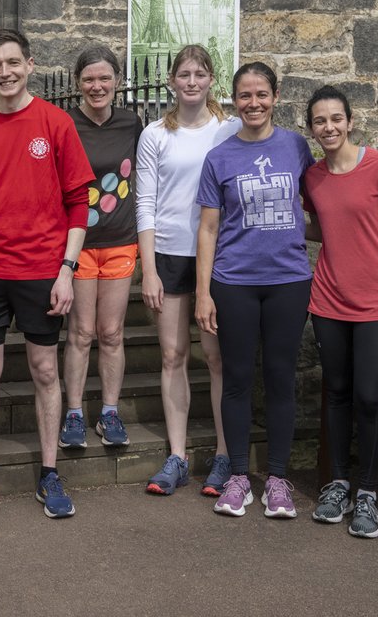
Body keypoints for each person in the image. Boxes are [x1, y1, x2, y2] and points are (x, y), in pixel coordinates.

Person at [0, 28, 93, 521]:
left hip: (43, 271)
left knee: (45, 370)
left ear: (30, 64)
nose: (4, 72)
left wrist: (67, 271)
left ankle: (50, 473)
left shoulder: (56, 124)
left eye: (12, 62)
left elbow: (78, 204)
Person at [194, 61, 314, 519]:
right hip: (234, 282)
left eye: (261, 94)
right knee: (238, 380)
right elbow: (207, 229)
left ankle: (278, 479)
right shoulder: (220, 157)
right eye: (245, 96)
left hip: (288, 281)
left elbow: (320, 201)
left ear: (276, 96)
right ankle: (240, 476)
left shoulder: (296, 147)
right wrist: (204, 292)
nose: (253, 103)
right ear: (233, 101)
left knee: (281, 379)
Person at [303, 85, 378, 539]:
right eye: (319, 121)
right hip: (329, 300)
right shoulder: (312, 177)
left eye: (335, 119)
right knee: (337, 395)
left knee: (370, 399)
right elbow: (317, 225)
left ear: (350, 121)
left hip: (376, 304)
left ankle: (367, 492)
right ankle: (338, 486)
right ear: (310, 129)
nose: (328, 128)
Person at [135, 45, 238, 496]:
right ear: (172, 81)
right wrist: (149, 269)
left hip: (218, 256)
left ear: (212, 79)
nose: (191, 81)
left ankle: (222, 455)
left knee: (217, 359)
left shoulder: (230, 130)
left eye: (200, 73)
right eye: (184, 74)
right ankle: (176, 456)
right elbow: (146, 204)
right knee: (173, 356)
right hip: (171, 255)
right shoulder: (155, 134)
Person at [59, 46, 143, 451]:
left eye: (105, 78)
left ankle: (109, 412)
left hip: (120, 239)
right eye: (89, 79)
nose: (97, 86)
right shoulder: (64, 124)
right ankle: (73, 412)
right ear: (77, 84)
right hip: (77, 244)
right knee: (80, 332)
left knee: (111, 333)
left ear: (118, 83)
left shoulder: (132, 123)